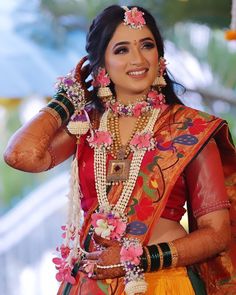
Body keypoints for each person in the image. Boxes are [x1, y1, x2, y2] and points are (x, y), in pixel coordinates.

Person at [3, 5, 236, 295]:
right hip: (91, 285)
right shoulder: (85, 126)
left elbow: (216, 235)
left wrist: (140, 259)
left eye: (147, 45)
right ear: (100, 65)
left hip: (164, 282)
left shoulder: (190, 130)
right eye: (122, 50)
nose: (138, 59)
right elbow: (20, 155)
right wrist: (66, 100)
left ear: (160, 58)